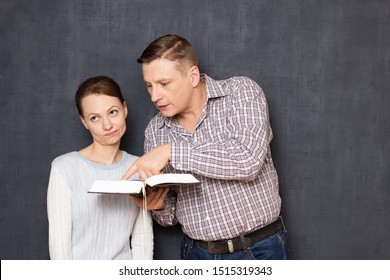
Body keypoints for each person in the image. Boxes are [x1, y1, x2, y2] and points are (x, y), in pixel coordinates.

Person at [123, 34, 288, 260]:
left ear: (192, 76)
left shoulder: (241, 92)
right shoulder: (155, 130)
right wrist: (158, 206)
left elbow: (247, 160)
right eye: (149, 86)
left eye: (164, 83)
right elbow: (170, 217)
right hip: (196, 253)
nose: (154, 95)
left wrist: (171, 151)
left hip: (258, 249)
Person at [47, 76, 153, 260]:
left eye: (112, 112)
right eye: (95, 118)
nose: (107, 125)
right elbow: (59, 248)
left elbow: (142, 239)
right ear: (84, 122)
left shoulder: (138, 166)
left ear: (124, 109)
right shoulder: (64, 168)